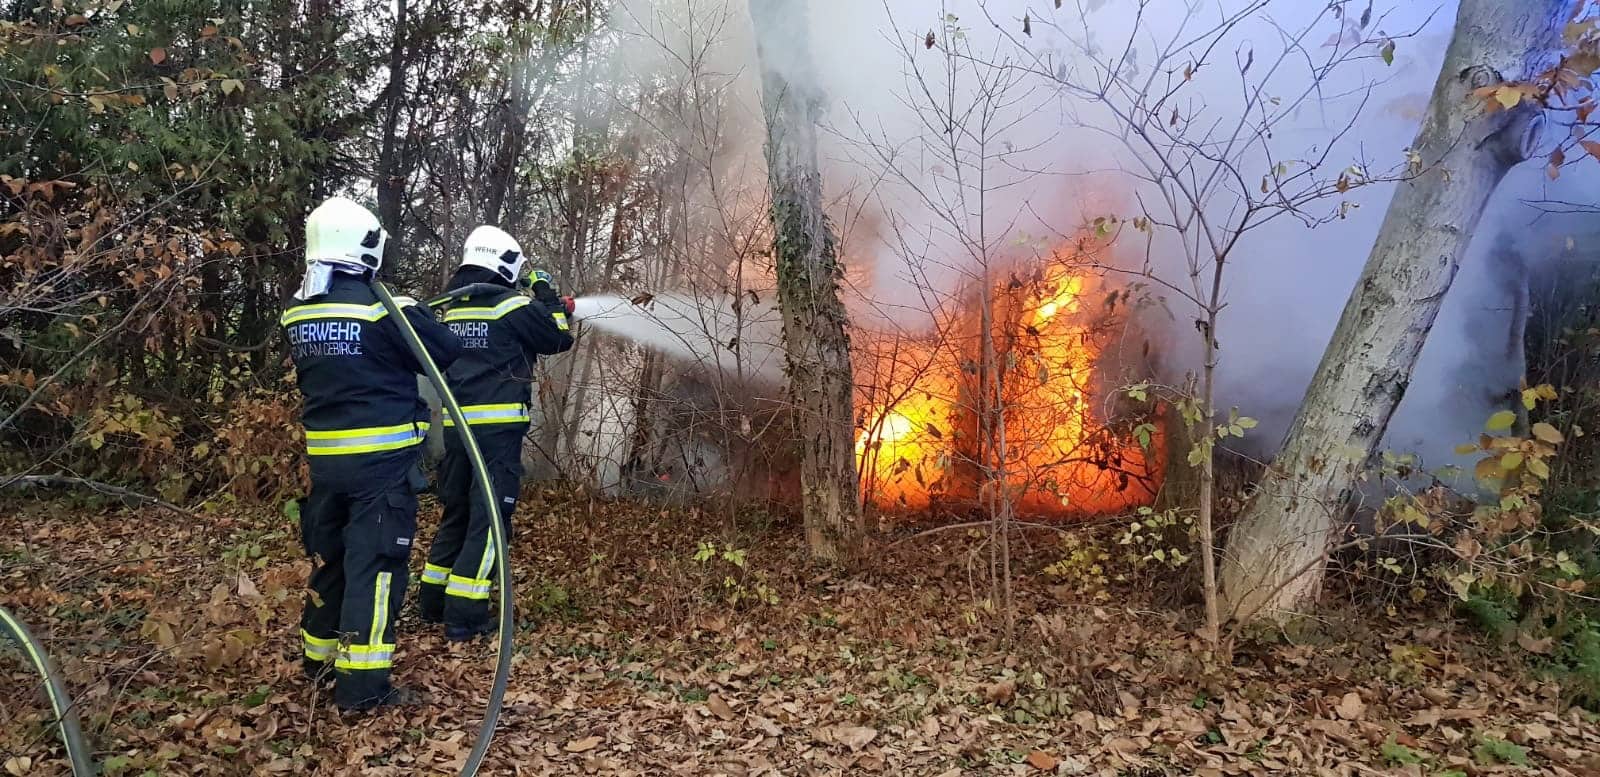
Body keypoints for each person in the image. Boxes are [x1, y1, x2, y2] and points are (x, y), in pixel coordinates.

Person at [282, 196, 462, 711]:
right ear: (365, 245)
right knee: (377, 569)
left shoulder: (299, 311)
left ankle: (317, 664)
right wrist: (417, 311)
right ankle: (362, 688)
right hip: (381, 471)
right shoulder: (387, 310)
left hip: (326, 467)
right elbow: (445, 352)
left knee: (332, 560)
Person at [418, 225, 574, 641]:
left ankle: (432, 601)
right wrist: (546, 295)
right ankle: (465, 616)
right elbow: (559, 337)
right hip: (496, 433)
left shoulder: (455, 309)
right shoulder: (511, 306)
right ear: (505, 265)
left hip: (456, 431)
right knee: (490, 520)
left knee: (457, 512)